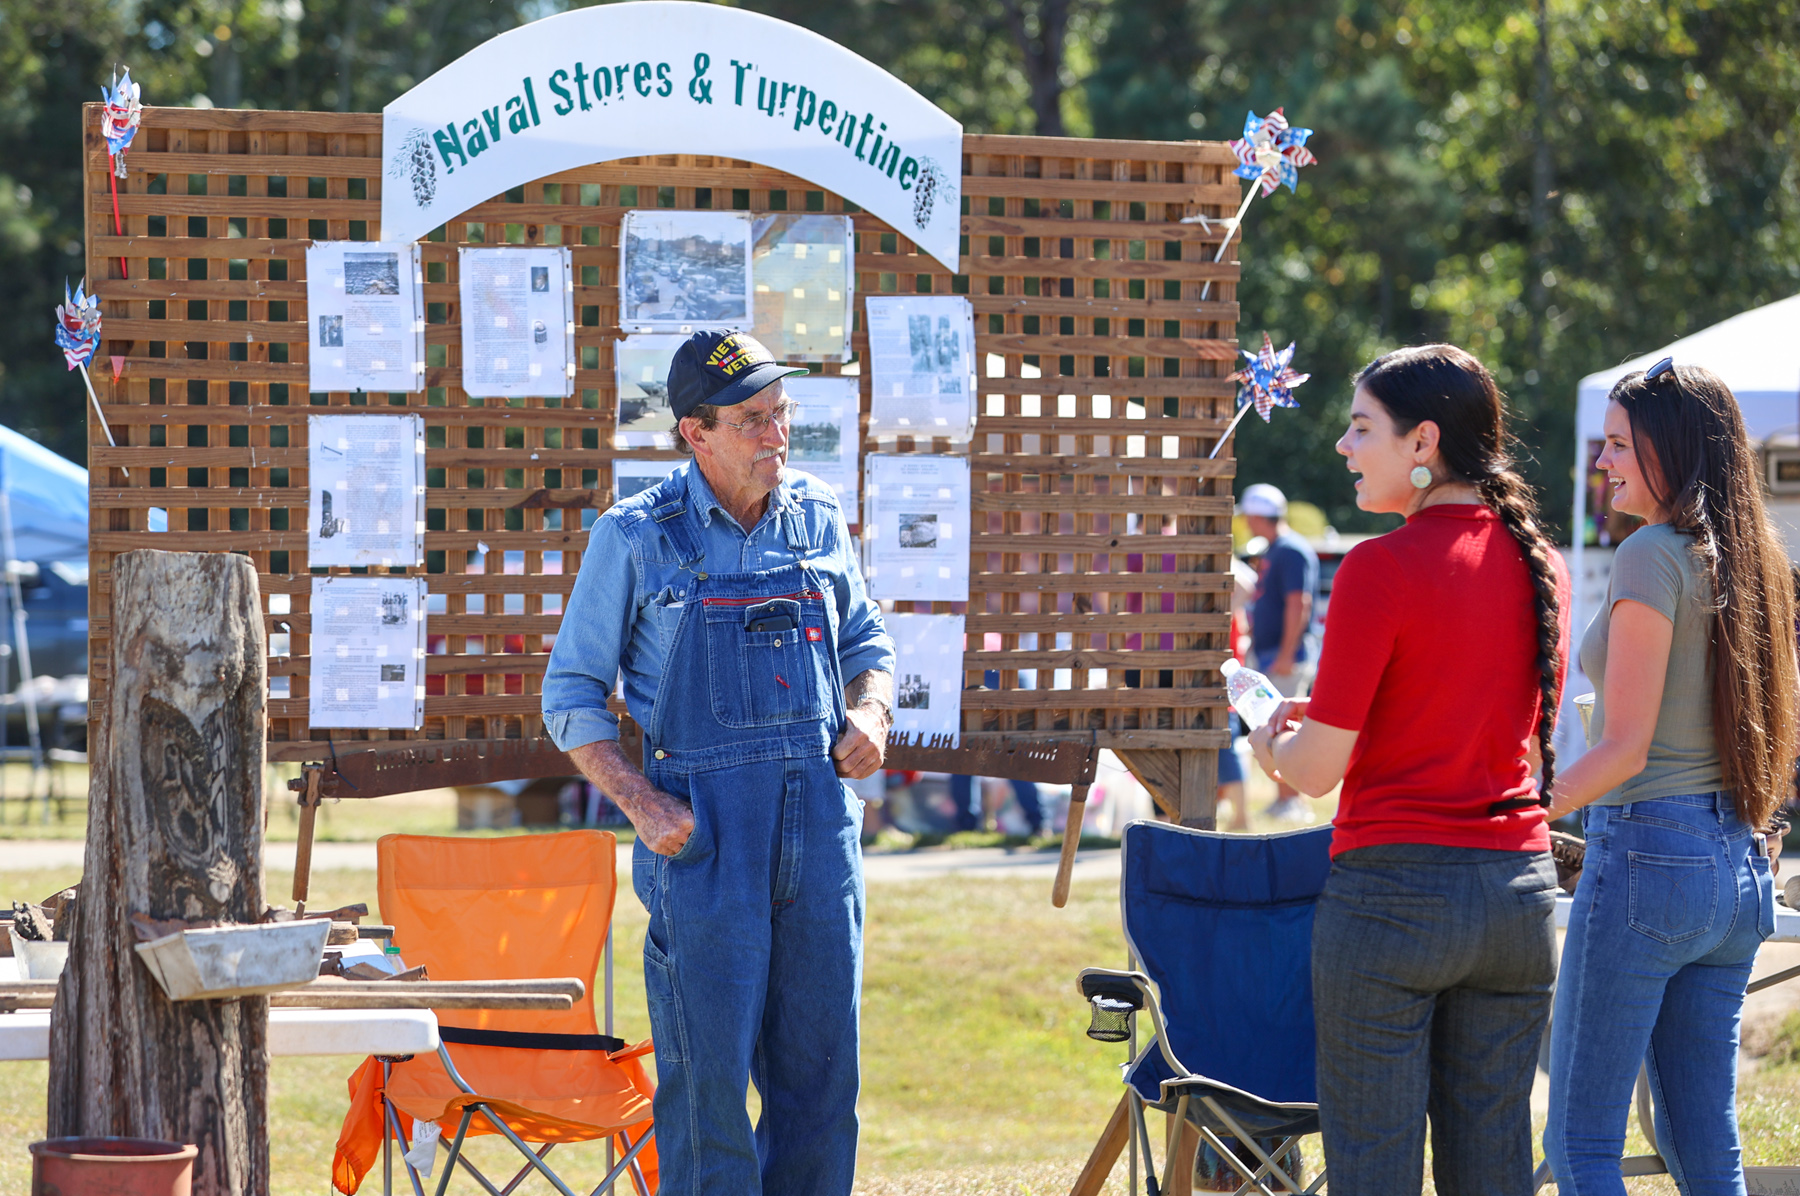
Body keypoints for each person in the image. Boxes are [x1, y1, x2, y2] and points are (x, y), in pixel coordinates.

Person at [541, 330, 895, 1195]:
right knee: (705, 1100)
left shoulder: (816, 515)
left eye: (782, 414)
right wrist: (642, 803)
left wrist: (873, 712)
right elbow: (572, 695)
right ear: (695, 433)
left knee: (821, 1087)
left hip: (819, 841)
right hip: (704, 847)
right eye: (753, 420)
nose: (777, 435)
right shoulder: (633, 538)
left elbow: (866, 640)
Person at [1248, 344, 1568, 1195]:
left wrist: (1263, 737)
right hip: (1518, 901)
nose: (1345, 448)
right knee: (1494, 1170)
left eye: (1361, 428)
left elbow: (1313, 773)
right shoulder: (1542, 567)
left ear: (1423, 442)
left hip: (1392, 902)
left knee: (1375, 1173)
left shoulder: (1377, 569)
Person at [1542, 358, 1795, 1195]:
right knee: (1703, 1143)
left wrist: (1515, 810)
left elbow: (1624, 750)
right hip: (1736, 869)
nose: (1602, 462)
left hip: (1651, 858)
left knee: (1581, 1142)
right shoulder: (1755, 559)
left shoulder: (1651, 554)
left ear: (1672, 448)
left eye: (1618, 443)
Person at [1240, 483, 1318, 821]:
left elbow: (1297, 602)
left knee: (1284, 728)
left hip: (1284, 656)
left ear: (1258, 516)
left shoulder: (1290, 550)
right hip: (1272, 654)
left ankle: (1293, 801)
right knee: (1272, 727)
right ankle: (1284, 797)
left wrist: (1286, 653)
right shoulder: (1275, 548)